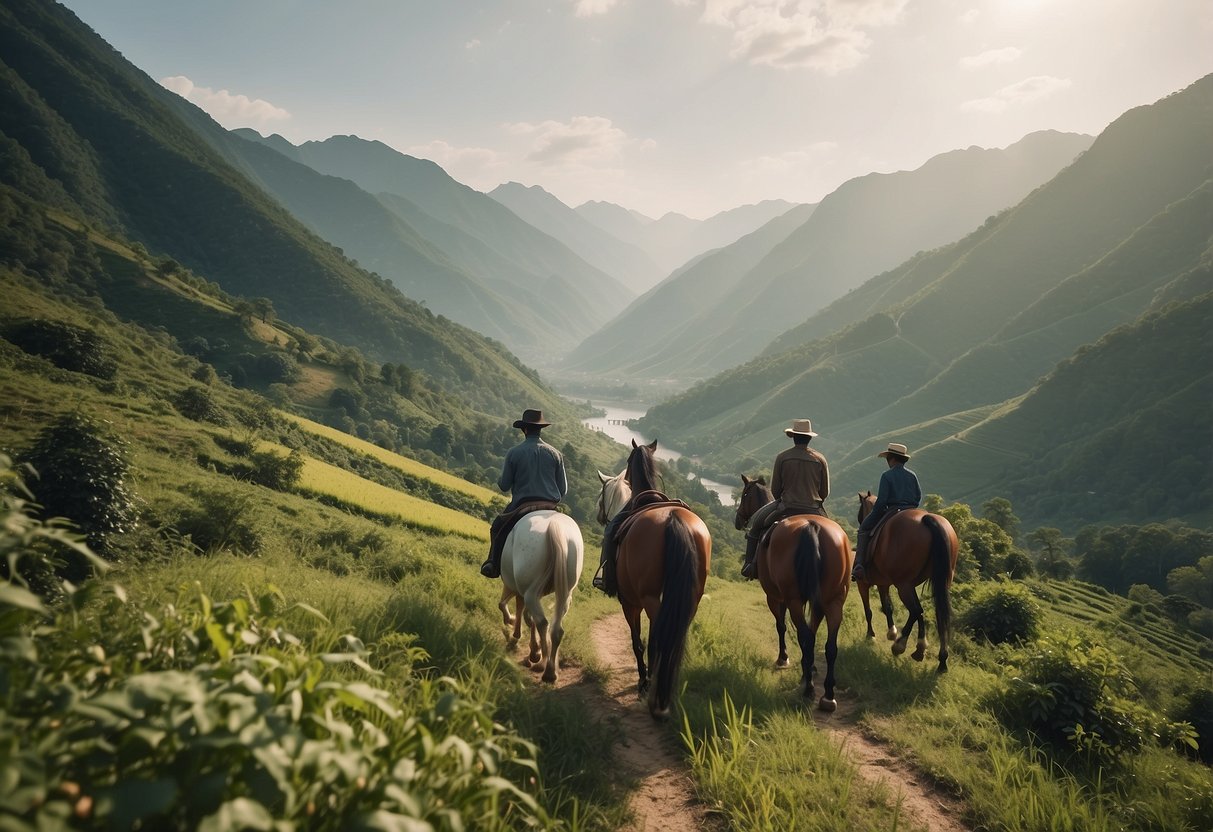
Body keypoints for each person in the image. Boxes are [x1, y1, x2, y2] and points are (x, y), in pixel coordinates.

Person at [479, 409, 568, 579]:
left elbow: (504, 485)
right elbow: (563, 490)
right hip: (550, 505)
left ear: (524, 429)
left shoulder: (514, 452)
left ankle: (493, 563)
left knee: (497, 528)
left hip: (522, 505)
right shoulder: (556, 454)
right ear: (540, 429)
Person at [740, 419, 830, 580]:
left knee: (756, 526)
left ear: (793, 437)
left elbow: (775, 490)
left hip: (786, 507)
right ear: (809, 438)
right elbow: (825, 492)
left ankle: (750, 565)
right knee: (833, 534)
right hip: (814, 509)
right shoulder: (820, 459)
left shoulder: (783, 457)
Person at [851, 442, 921, 582]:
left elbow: (881, 502)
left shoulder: (887, 475)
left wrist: (876, 513)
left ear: (892, 458)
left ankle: (859, 566)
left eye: (888, 458)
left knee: (864, 529)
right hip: (912, 509)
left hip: (893, 510)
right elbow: (918, 497)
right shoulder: (912, 475)